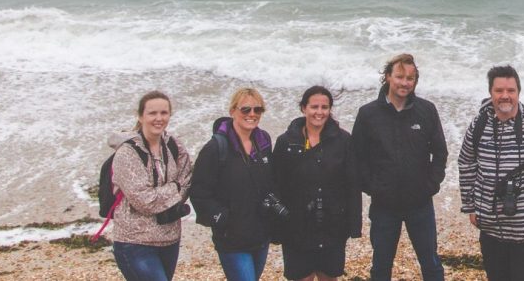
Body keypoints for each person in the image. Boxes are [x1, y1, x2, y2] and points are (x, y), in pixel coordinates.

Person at [457, 65, 524, 281]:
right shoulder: (478, 126)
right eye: (499, 90)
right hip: (489, 226)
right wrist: (470, 206)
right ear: (490, 93)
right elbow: (466, 165)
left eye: (511, 91)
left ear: (518, 93)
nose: (505, 96)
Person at [351, 53, 449, 281]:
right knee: (380, 266)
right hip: (384, 205)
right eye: (400, 77)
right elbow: (357, 157)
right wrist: (373, 187)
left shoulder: (426, 110)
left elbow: (440, 152)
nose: (405, 82)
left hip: (420, 203)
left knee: (431, 264)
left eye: (411, 78)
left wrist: (431, 185)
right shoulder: (368, 114)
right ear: (387, 77)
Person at [271, 86, 361, 281]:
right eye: (314, 107)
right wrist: (278, 224)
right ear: (304, 108)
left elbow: (353, 185)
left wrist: (354, 225)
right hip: (296, 225)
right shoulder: (286, 142)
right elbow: (275, 185)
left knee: (328, 276)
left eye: (324, 107)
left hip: (333, 224)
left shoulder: (344, 140)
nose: (319, 112)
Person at [191, 87, 279, 281]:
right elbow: (198, 192)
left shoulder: (263, 142)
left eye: (258, 110)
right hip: (232, 239)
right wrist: (222, 219)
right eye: (245, 109)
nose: (252, 114)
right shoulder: (216, 148)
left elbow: (270, 184)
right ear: (232, 111)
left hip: (260, 235)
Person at [110, 90, 194, 281]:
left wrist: (168, 191)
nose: (159, 118)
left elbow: (188, 179)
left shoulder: (174, 145)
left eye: (164, 113)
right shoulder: (127, 153)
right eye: (152, 113)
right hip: (135, 242)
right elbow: (145, 201)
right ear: (140, 116)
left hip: (170, 238)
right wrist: (175, 187)